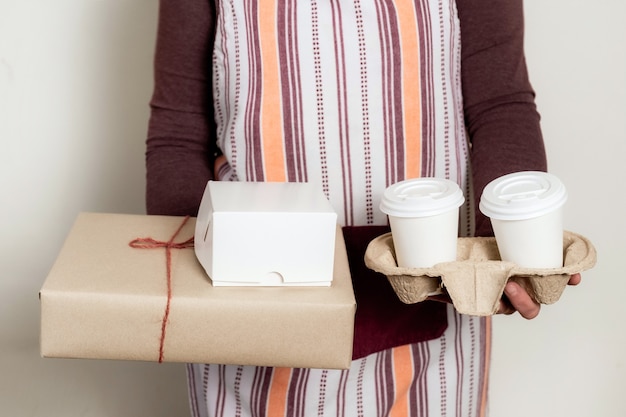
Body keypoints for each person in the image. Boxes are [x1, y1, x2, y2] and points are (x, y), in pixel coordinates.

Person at [145, 0, 580, 415]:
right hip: (250, 301)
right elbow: (179, 132)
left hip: (431, 302)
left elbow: (500, 104)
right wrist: (183, 284)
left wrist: (503, 249)